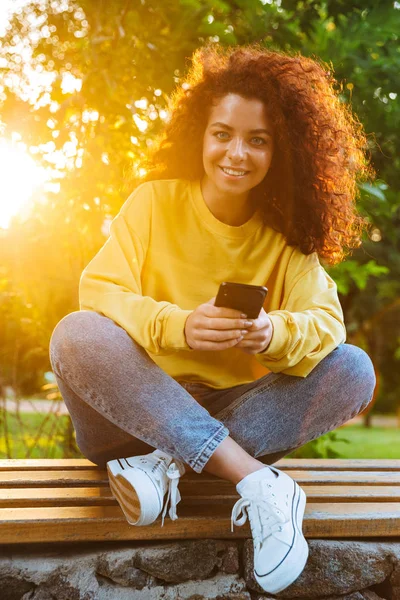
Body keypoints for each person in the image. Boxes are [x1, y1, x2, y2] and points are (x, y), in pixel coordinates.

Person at [49, 43, 376, 594]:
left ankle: (167, 466)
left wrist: (274, 332)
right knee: (74, 334)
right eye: (222, 133)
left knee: (354, 369)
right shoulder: (152, 204)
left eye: (258, 140)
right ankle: (254, 478)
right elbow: (99, 292)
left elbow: (327, 328)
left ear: (283, 152)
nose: (236, 153)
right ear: (200, 135)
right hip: (127, 418)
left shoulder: (289, 239)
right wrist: (176, 325)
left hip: (234, 412)